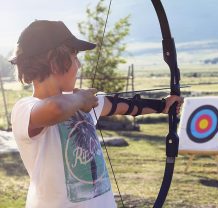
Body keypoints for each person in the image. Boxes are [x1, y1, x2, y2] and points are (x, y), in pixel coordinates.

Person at [9, 20, 183, 208]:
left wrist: (162, 105)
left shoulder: (80, 101)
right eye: (74, 56)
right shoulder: (25, 108)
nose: (79, 65)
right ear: (54, 61)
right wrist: (81, 99)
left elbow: (124, 105)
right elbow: (55, 109)